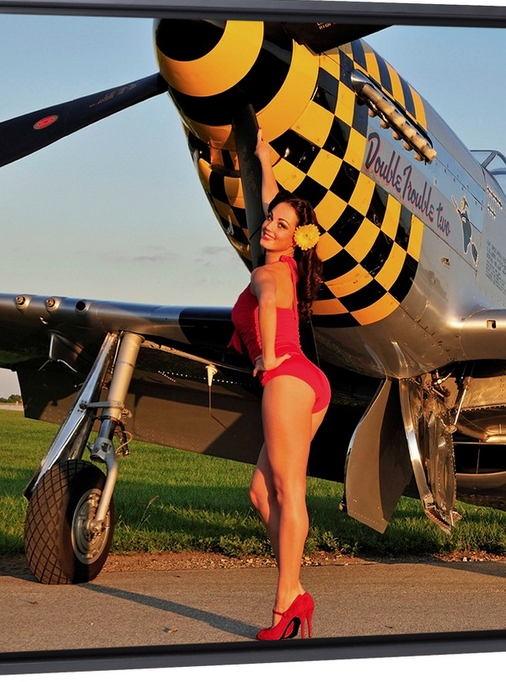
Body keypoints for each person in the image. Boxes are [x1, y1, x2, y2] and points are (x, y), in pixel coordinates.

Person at [228, 129, 330, 641]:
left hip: (287, 377)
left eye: (281, 224)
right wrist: (261, 155)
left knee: (289, 492)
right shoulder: (285, 263)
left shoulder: (268, 275)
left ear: (295, 238)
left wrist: (266, 356)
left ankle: (284, 604)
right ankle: (296, 590)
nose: (269, 224)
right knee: (261, 493)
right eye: (270, 219)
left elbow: (266, 305)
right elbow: (269, 196)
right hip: (306, 380)